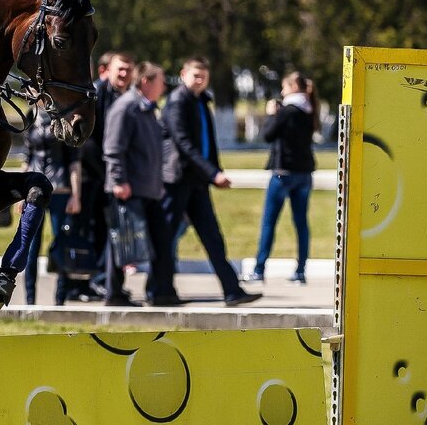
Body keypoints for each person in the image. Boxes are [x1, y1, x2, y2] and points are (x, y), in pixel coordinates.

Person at [161, 57, 261, 307]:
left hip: (197, 181)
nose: (200, 80)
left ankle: (232, 291)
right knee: (166, 237)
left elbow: (208, 143)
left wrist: (214, 171)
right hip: (177, 180)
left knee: (212, 237)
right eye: (195, 75)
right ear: (183, 74)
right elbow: (184, 144)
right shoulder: (177, 101)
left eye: (203, 77)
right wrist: (213, 173)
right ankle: (160, 290)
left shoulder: (201, 101)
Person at [102, 61, 174, 307]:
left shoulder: (148, 108)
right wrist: (119, 181)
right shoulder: (126, 107)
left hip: (149, 188)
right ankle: (114, 293)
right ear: (146, 82)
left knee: (161, 240)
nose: (164, 86)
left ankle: (160, 291)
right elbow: (113, 148)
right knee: (122, 240)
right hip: (128, 189)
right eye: (160, 81)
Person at [249, 71, 318, 284]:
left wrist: (271, 114)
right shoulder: (310, 110)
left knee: (269, 222)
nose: (281, 92)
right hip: (304, 173)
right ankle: (300, 271)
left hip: (283, 174)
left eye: (284, 88)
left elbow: (268, 134)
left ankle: (259, 270)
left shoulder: (287, 111)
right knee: (301, 223)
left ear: (293, 88)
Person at [22, 109, 94, 305]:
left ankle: (60, 299)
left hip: (60, 190)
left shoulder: (64, 118)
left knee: (62, 245)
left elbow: (74, 162)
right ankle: (30, 300)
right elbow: (28, 158)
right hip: (34, 190)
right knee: (30, 247)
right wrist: (21, 194)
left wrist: (76, 195)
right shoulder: (31, 116)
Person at [78, 51, 135, 289]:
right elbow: (88, 139)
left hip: (111, 175)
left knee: (108, 229)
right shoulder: (97, 93)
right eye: (120, 69)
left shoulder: (126, 95)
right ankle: (90, 280)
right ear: (107, 70)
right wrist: (107, 173)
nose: (124, 74)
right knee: (92, 229)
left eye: (128, 70)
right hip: (93, 175)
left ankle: (103, 280)